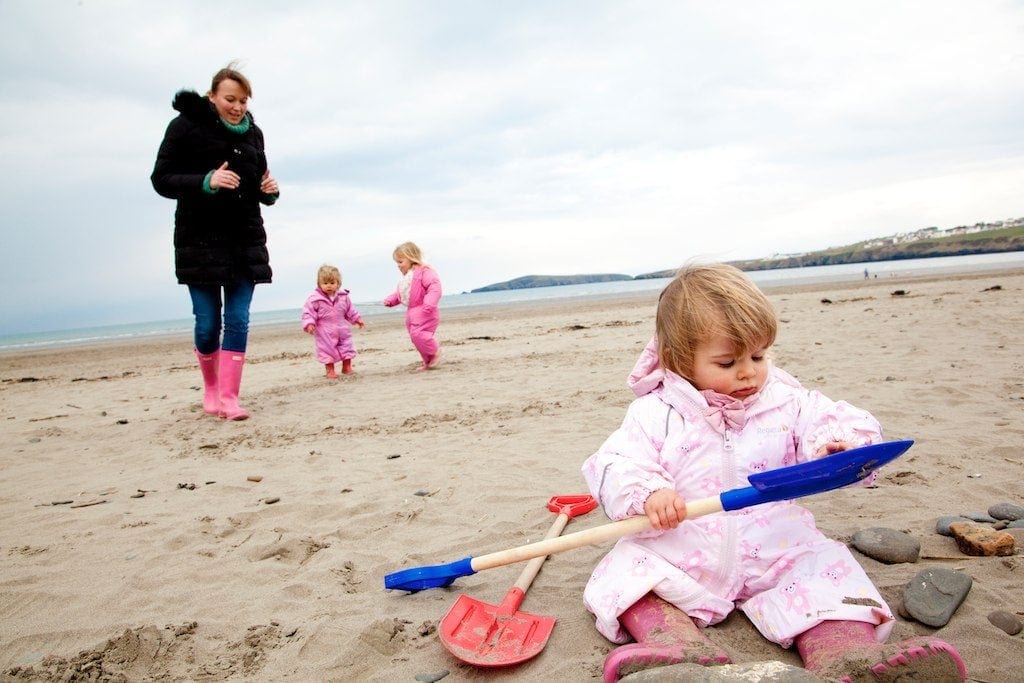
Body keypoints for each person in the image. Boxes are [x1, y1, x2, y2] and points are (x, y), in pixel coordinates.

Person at [581, 264, 965, 682]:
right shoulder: (657, 413)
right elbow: (618, 461)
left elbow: (828, 417)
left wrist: (836, 445)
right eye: (727, 362)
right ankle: (675, 645)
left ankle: (847, 657)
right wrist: (649, 492)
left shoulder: (783, 400)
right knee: (628, 573)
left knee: (826, 575)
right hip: (684, 546)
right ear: (678, 360)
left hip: (776, 545)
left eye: (759, 355)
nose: (748, 371)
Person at [151, 62, 279, 420]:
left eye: (243, 100)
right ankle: (210, 388)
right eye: (230, 99)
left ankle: (229, 398)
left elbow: (257, 181)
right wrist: (206, 180)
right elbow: (161, 178)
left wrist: (269, 192)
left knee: (238, 320)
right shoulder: (185, 127)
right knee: (208, 323)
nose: (237, 107)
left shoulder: (254, 133)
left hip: (244, 240)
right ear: (212, 96)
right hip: (200, 241)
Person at [383, 242, 443, 371]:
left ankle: (435, 351)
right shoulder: (408, 278)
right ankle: (428, 361)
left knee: (419, 334)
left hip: (425, 310)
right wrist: (390, 301)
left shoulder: (424, 272)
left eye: (400, 262)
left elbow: (434, 287)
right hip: (412, 312)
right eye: (397, 263)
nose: (398, 266)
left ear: (411, 258)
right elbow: (402, 293)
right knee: (415, 338)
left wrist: (429, 303)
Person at [302, 264, 365, 378]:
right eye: (325, 283)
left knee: (346, 346)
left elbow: (350, 310)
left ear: (338, 283)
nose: (329, 286)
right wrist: (309, 324)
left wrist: (357, 319)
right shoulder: (315, 299)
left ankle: (347, 367)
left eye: (332, 283)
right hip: (325, 330)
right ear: (319, 284)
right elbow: (308, 312)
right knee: (327, 350)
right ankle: (330, 370)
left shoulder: (343, 296)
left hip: (342, 327)